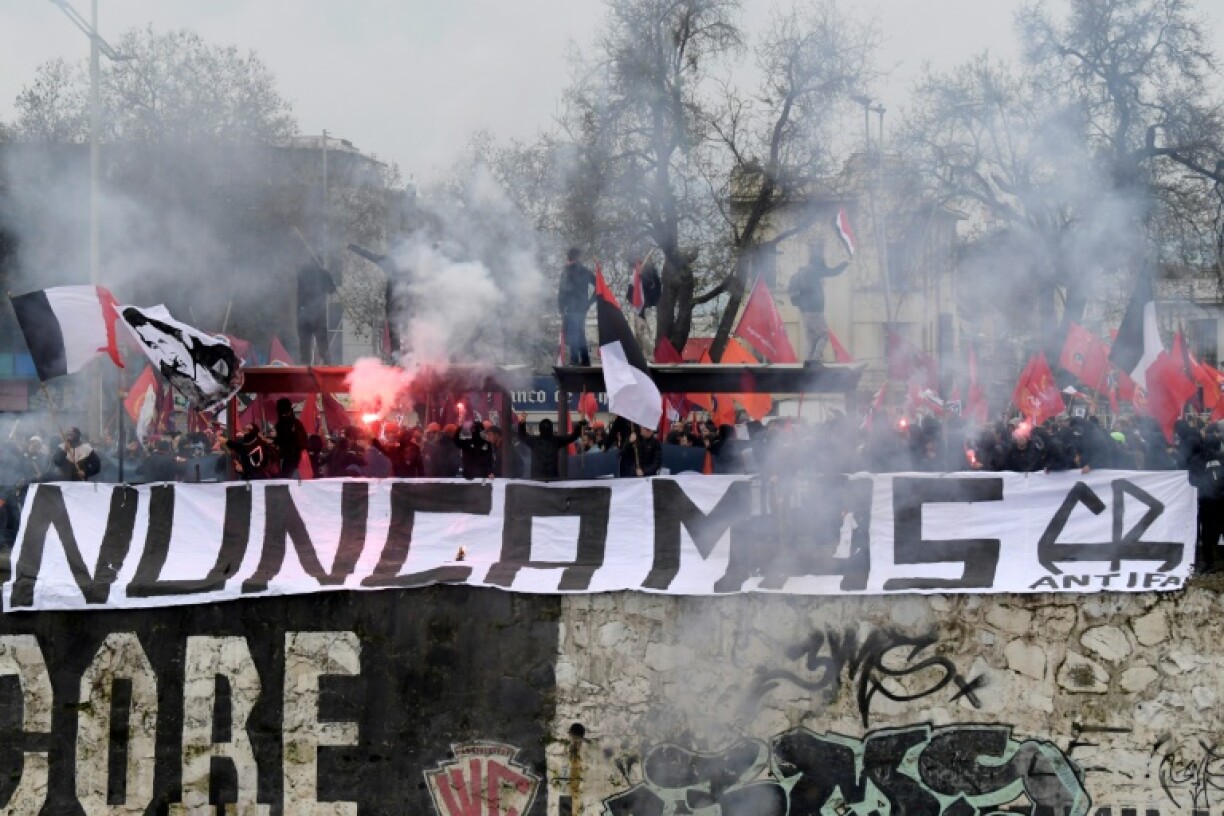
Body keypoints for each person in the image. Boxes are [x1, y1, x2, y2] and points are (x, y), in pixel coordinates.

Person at [788, 240, 849, 362]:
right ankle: (815, 359)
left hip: (805, 312)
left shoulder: (802, 272)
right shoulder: (815, 269)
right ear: (819, 263)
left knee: (811, 338)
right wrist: (845, 264)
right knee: (824, 335)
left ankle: (808, 360)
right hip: (815, 310)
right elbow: (833, 272)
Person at [557, 247, 596, 366]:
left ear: (569, 257)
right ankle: (585, 360)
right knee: (580, 332)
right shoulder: (586, 271)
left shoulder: (566, 271)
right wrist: (589, 303)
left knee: (574, 334)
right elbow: (599, 286)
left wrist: (561, 308)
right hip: (582, 308)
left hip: (571, 308)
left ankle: (574, 360)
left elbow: (561, 292)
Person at [517, 413, 583, 479]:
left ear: (540, 429)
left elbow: (522, 435)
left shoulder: (534, 441)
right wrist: (579, 426)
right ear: (551, 429)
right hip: (553, 479)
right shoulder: (556, 441)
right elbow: (573, 437)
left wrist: (521, 423)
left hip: (537, 480)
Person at [297, 258, 337, 364]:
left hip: (303, 312)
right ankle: (328, 364)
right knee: (322, 342)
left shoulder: (302, 272)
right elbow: (332, 289)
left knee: (305, 343)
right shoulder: (323, 273)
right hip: (318, 313)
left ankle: (304, 366)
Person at [273, 397, 308, 478]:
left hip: (289, 457)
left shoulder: (281, 424)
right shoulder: (296, 423)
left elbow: (281, 440)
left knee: (287, 478)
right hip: (297, 456)